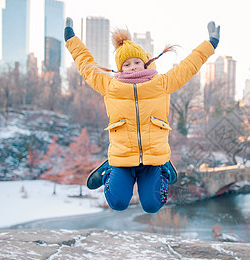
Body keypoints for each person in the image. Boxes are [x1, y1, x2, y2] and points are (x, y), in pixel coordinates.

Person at [64, 18, 220, 213]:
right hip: (122, 159)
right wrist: (71, 39)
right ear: (121, 68)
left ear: (145, 64)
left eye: (137, 62)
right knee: (118, 203)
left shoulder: (161, 83)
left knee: (152, 205)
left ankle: (163, 168)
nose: (133, 67)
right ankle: (109, 171)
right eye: (127, 64)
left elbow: (188, 67)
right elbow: (86, 66)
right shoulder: (110, 87)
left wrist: (210, 44)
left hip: (153, 159)